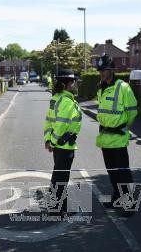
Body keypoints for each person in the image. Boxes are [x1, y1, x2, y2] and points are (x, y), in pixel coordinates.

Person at [96, 54, 138, 214]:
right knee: (112, 171)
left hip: (119, 137)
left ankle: (129, 203)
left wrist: (122, 127)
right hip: (105, 138)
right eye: (100, 70)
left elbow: (132, 112)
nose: (101, 73)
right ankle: (117, 199)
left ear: (111, 70)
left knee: (123, 173)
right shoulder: (101, 89)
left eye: (104, 70)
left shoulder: (123, 87)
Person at [43, 69, 82, 213]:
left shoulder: (56, 98)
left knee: (59, 175)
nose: (76, 84)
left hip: (59, 146)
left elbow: (49, 121)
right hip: (64, 145)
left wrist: (48, 140)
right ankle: (56, 208)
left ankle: (60, 207)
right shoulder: (66, 101)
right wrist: (53, 142)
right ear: (69, 84)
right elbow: (60, 125)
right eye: (74, 82)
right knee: (61, 177)